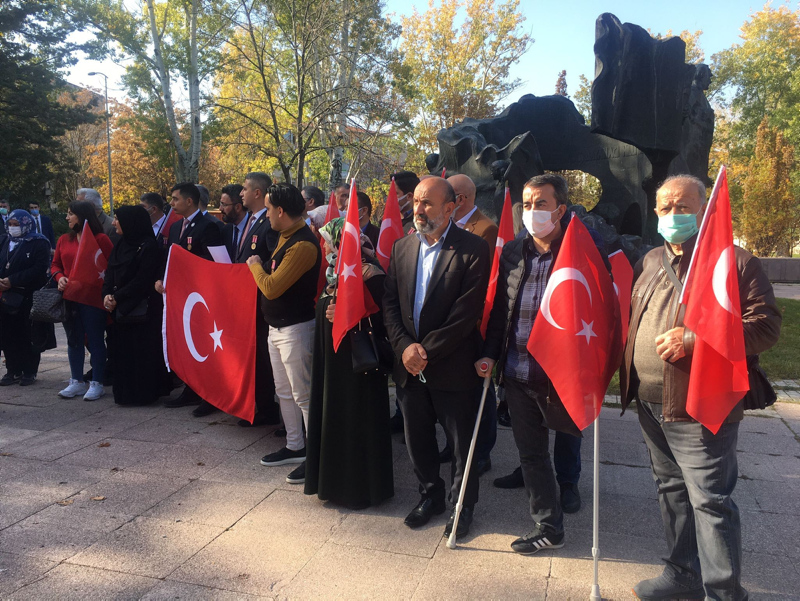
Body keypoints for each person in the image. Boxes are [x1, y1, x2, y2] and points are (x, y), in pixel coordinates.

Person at [620, 175, 781, 601]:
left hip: (700, 402)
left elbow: (765, 327)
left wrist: (694, 340)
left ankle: (724, 593)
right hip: (650, 401)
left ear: (704, 209)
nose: (673, 214)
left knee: (710, 501)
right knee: (671, 490)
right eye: (665, 207)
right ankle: (682, 575)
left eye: (683, 206)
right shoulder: (650, 259)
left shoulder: (735, 261)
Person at [477, 174, 605, 555]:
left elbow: (599, 308)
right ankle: (549, 526)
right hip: (518, 371)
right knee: (531, 452)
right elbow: (501, 311)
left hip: (561, 375)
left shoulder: (580, 251)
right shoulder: (513, 252)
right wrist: (490, 354)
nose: (532, 211)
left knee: (568, 437)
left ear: (561, 209)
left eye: (541, 204)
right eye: (528, 204)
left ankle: (569, 484)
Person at [383, 176, 490, 540]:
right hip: (409, 367)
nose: (418, 209)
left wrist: (425, 351)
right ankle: (430, 495)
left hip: (452, 366)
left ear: (450, 207)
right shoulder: (402, 246)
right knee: (417, 439)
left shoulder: (473, 248)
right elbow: (390, 304)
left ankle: (461, 506)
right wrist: (405, 348)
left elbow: (466, 312)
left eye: (427, 203)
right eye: (416, 201)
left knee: (461, 445)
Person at [304, 218, 394, 508]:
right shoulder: (334, 273)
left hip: (359, 367)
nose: (324, 246)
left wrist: (349, 314)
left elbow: (386, 320)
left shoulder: (370, 274)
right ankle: (332, 484)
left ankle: (359, 490)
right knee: (334, 418)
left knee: (357, 422)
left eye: (327, 241)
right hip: (332, 366)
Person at [247, 183, 321, 481]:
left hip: (296, 329)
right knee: (284, 392)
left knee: (303, 395)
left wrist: (255, 265)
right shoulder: (285, 236)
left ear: (280, 210)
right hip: (277, 327)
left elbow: (272, 286)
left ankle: (316, 456)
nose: (266, 215)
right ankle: (294, 445)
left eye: (268, 209)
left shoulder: (303, 244)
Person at [440, 173, 499, 476]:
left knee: (479, 392)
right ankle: (453, 444)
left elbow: (481, 280)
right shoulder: (444, 227)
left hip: (473, 323)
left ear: (459, 199)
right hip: (446, 323)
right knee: (454, 391)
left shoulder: (485, 229)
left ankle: (482, 451)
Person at [155, 182, 225, 413]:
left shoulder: (209, 226)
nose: (171, 203)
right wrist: (162, 279)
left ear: (189, 201)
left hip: (203, 297)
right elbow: (170, 259)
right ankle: (191, 388)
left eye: (175, 199)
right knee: (188, 344)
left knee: (205, 346)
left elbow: (217, 263)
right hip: (182, 298)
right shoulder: (176, 227)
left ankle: (210, 395)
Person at [102, 206, 167, 406]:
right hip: (120, 310)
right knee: (122, 353)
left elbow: (143, 279)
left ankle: (143, 394)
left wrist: (117, 297)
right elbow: (109, 272)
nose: (114, 223)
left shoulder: (148, 246)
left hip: (141, 310)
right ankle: (125, 394)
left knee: (141, 353)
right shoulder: (121, 245)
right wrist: (106, 295)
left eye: (117, 219)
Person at [51, 201, 114, 401]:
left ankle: (97, 382)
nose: (67, 217)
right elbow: (55, 264)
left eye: (71, 214)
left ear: (83, 216)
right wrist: (59, 277)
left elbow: (111, 266)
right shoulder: (64, 239)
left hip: (93, 299)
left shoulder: (100, 239)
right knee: (74, 339)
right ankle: (76, 380)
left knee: (95, 339)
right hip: (69, 297)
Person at [234, 173, 280, 427]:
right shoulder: (251, 220)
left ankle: (268, 408)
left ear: (258, 193)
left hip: (259, 300)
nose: (241, 193)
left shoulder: (268, 223)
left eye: (245, 189)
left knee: (263, 358)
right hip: (244, 298)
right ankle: (259, 404)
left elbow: (272, 260)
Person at [0, 210, 50, 386]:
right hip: (6, 296)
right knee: (8, 334)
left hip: (28, 295)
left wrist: (13, 280)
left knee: (27, 334)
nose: (13, 228)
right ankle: (12, 370)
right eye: (10, 224)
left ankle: (29, 371)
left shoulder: (39, 242)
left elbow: (39, 268)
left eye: (16, 224)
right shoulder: (4, 240)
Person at [219, 183, 248, 262]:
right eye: (221, 203)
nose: (220, 208)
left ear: (238, 207)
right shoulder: (226, 230)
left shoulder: (253, 228)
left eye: (224, 205)